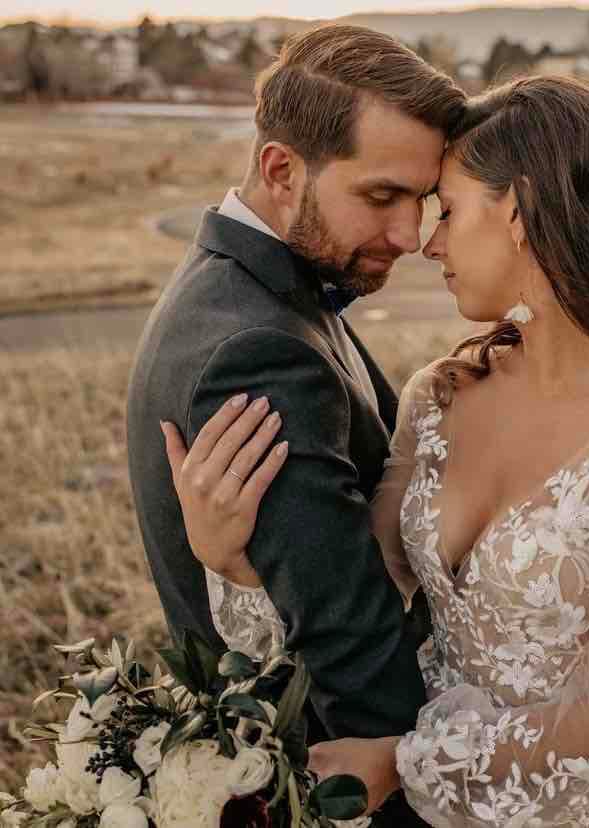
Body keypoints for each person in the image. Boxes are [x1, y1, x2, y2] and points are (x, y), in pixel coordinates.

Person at [163, 76, 589, 826]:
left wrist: (404, 762)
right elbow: (371, 592)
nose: (428, 241)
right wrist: (233, 562)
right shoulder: (442, 394)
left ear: (519, 212)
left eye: (448, 211)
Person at [127, 23, 465, 827]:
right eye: (381, 196)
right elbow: (352, 649)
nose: (409, 235)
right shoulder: (258, 352)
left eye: (422, 200)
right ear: (282, 170)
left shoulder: (254, 285)